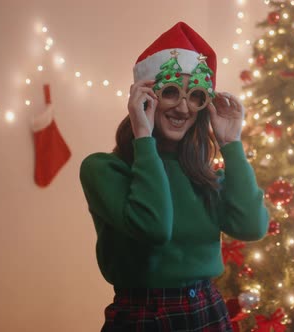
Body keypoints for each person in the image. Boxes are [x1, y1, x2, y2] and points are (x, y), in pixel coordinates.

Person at [79, 22, 270, 332]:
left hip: (208, 310)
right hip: (144, 317)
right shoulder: (104, 170)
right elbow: (153, 227)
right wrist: (143, 135)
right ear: (144, 97)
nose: (183, 107)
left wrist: (231, 144)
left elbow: (252, 226)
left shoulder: (204, 176)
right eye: (170, 92)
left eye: (195, 96)